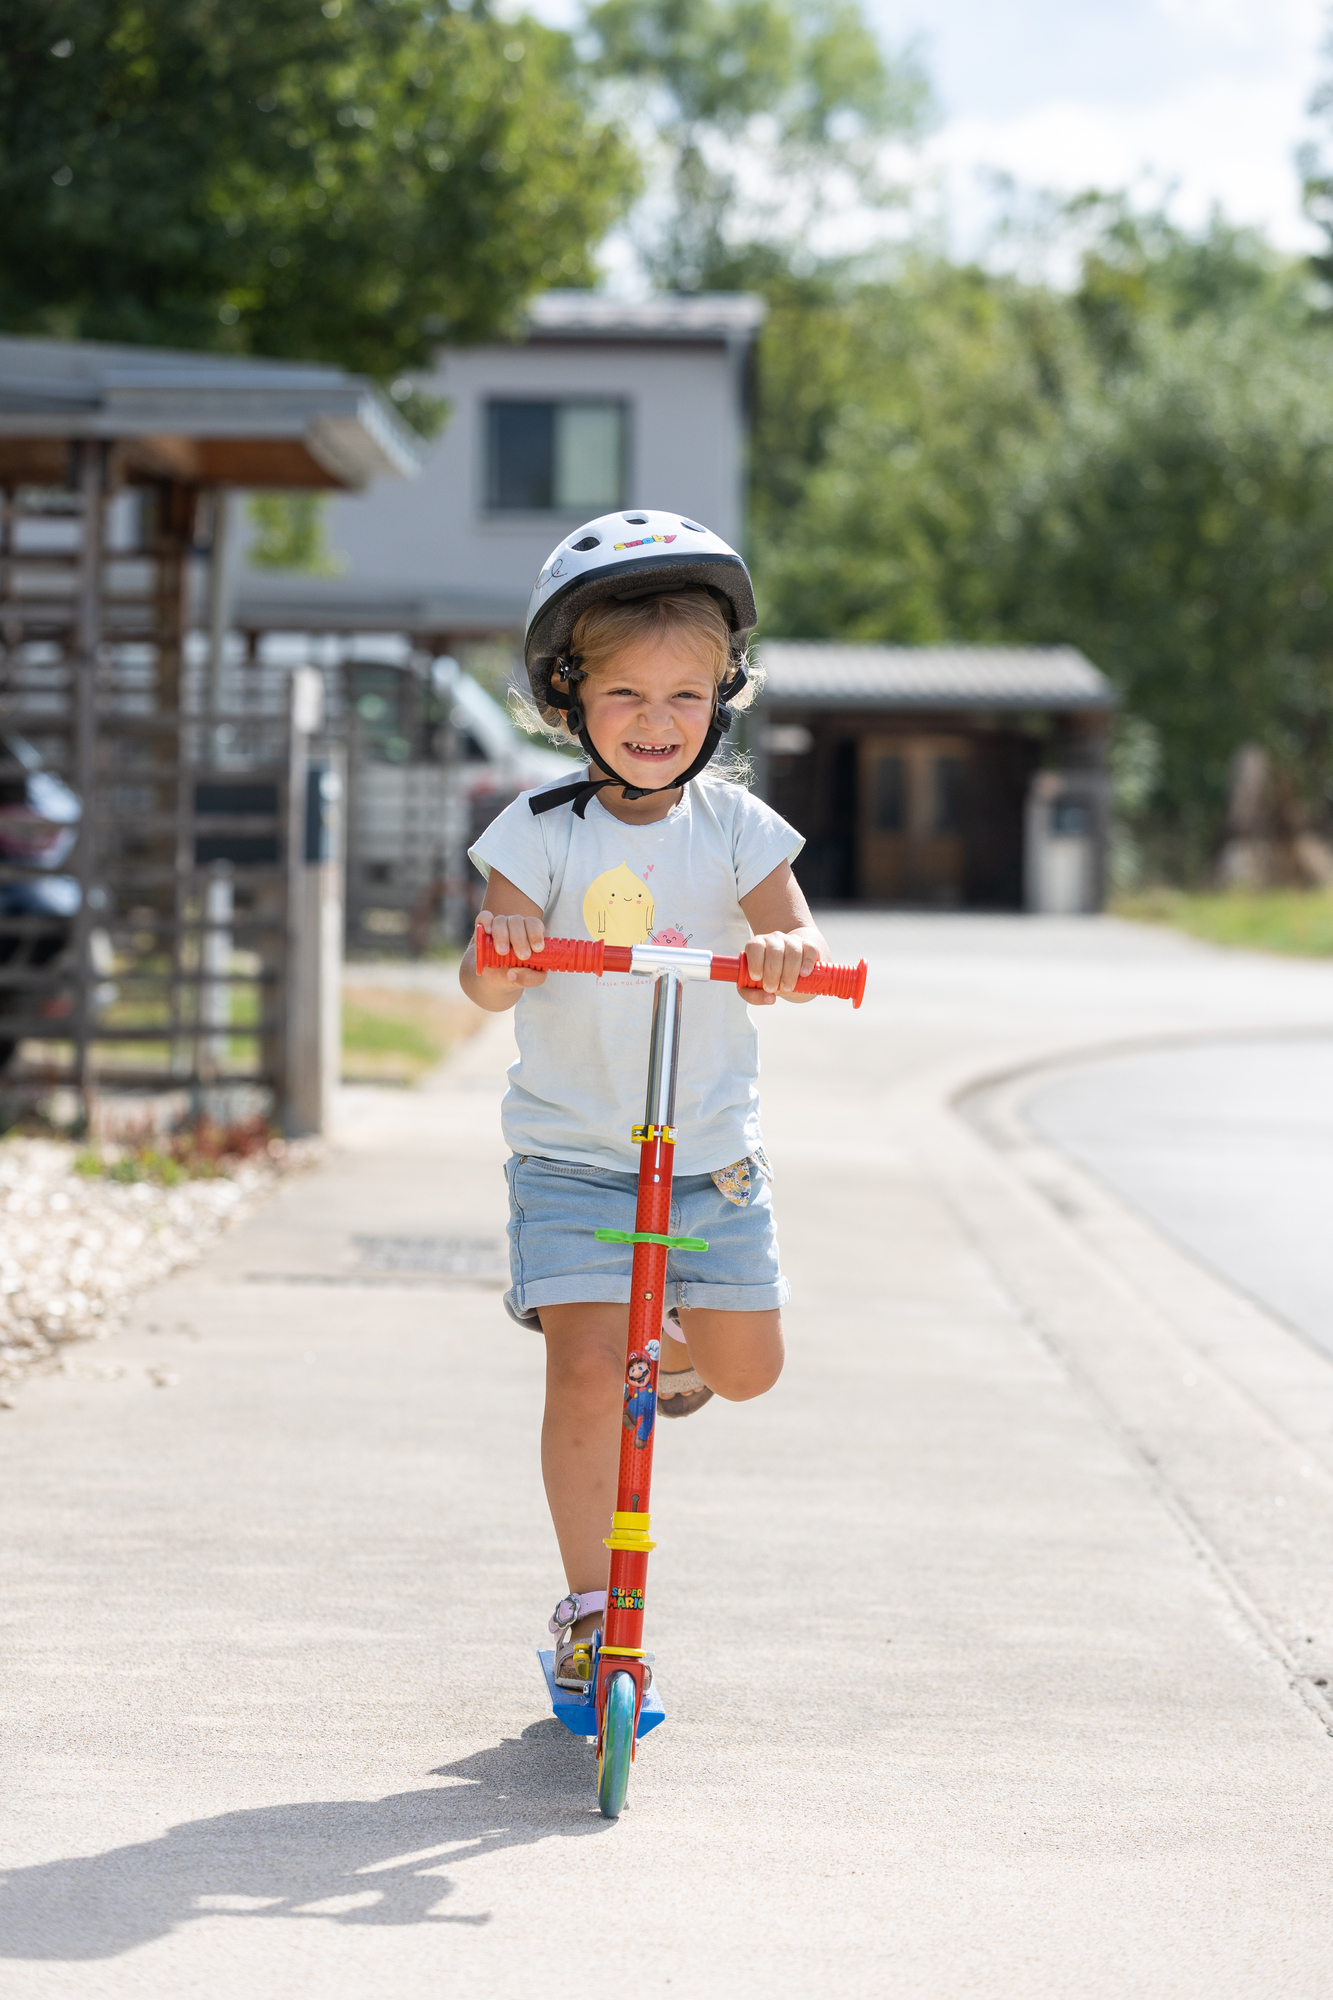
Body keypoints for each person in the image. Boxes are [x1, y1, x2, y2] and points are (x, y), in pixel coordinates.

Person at [459, 508, 827, 1690]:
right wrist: (508, 945)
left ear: (722, 701)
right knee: (580, 1365)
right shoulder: (536, 832)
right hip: (573, 1156)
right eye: (626, 696)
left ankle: (675, 1355)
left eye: (685, 697)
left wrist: (788, 958)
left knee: (750, 1366)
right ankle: (588, 1611)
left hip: (709, 1154)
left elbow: (796, 942)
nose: (657, 723)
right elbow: (483, 975)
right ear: (567, 699)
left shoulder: (737, 827)